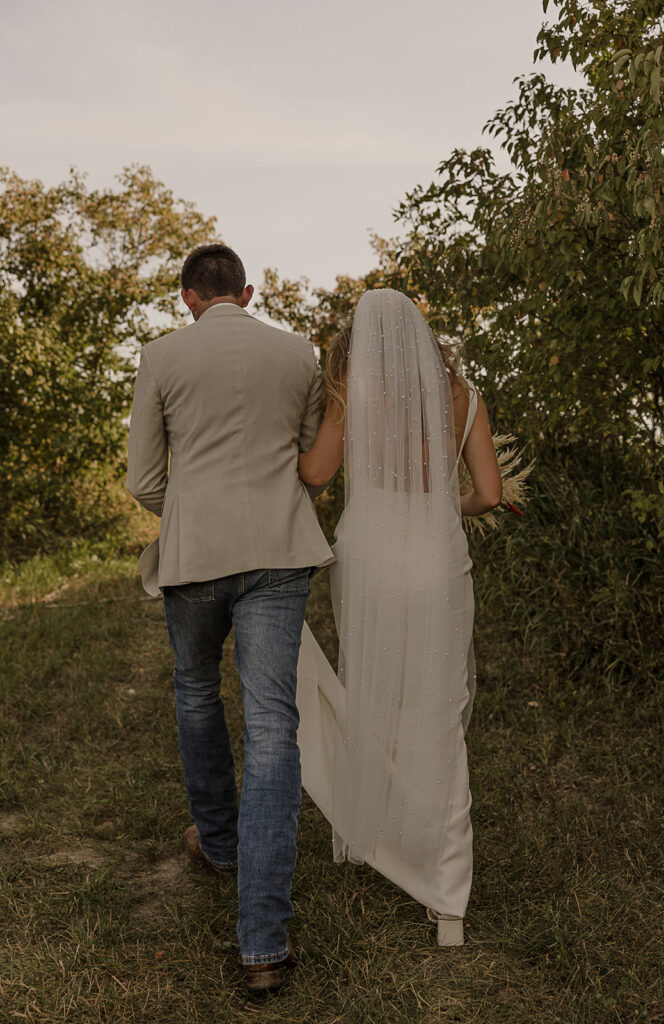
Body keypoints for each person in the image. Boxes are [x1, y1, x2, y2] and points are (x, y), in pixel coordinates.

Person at [126, 244, 334, 993]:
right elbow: (311, 459)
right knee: (274, 725)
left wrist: (188, 516)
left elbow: (144, 478)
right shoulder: (299, 355)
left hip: (194, 560)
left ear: (187, 297)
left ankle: (218, 843)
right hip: (279, 554)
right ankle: (264, 949)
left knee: (194, 691)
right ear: (247, 292)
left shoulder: (160, 357)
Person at [295, 288, 502, 945]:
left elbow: (317, 472)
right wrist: (444, 506)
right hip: (438, 563)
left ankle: (379, 838)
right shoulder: (464, 395)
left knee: (377, 692)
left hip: (371, 565)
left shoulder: (349, 390)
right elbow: (490, 495)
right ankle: (448, 907)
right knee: (439, 711)